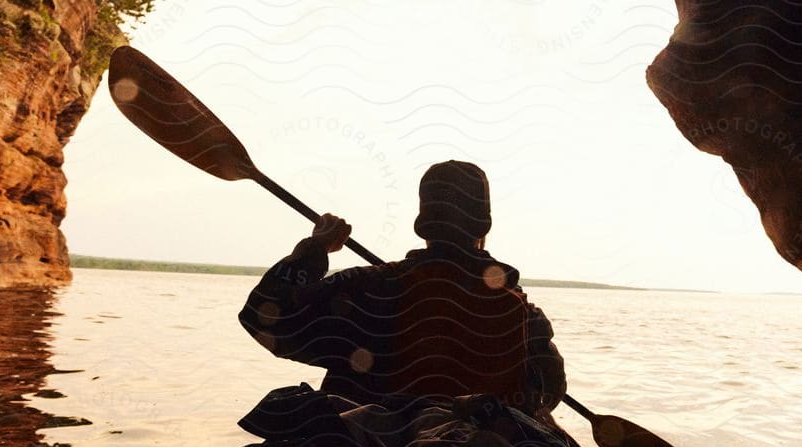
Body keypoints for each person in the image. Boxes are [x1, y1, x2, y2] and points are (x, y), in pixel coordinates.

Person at [238, 160, 567, 414]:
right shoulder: (526, 318)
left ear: (423, 224)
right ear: (484, 225)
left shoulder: (369, 289)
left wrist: (315, 249)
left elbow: (263, 314)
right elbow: (548, 393)